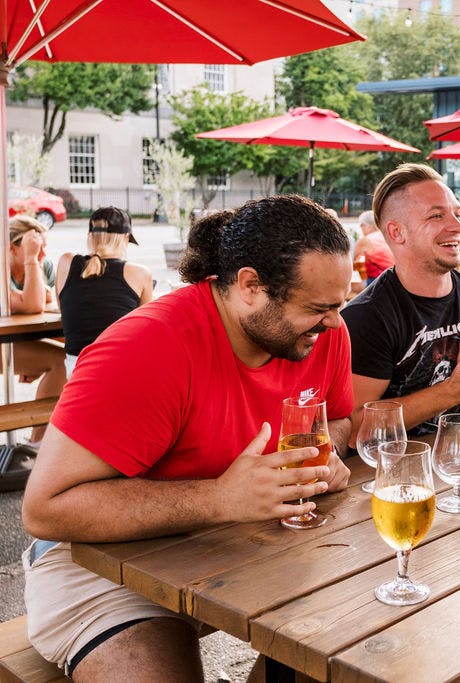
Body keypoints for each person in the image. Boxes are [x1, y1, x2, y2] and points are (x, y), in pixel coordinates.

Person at [20, 194, 355, 681]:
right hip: (99, 566)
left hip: (250, 544)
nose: (335, 322)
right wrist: (220, 498)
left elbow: (340, 420)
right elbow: (46, 510)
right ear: (250, 286)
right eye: (318, 308)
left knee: (359, 647)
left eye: (339, 305)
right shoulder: (146, 348)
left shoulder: (321, 333)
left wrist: (325, 454)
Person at [341, 163, 460, 439]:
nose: (456, 226)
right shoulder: (366, 317)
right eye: (436, 216)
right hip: (384, 471)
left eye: (457, 214)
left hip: (458, 461)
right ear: (396, 232)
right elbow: (353, 428)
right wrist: (451, 391)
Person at [55, 207, 153, 378]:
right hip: (118, 370)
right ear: (125, 238)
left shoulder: (66, 262)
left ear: (90, 236)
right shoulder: (140, 273)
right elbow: (145, 330)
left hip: (76, 370)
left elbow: (64, 309)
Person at [7, 214, 66, 446]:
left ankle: (37, 444)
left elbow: (46, 300)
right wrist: (32, 260)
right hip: (5, 344)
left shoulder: (43, 265)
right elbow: (34, 304)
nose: (42, 255)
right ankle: (37, 443)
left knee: (74, 352)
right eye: (35, 247)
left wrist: (34, 261)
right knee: (61, 362)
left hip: (16, 341)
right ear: (12, 248)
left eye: (43, 247)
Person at [351, 210, 395, 289]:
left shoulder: (365, 240)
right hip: (394, 279)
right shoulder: (387, 236)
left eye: (362, 225)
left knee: (354, 283)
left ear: (367, 225)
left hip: (378, 281)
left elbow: (351, 260)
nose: (361, 228)